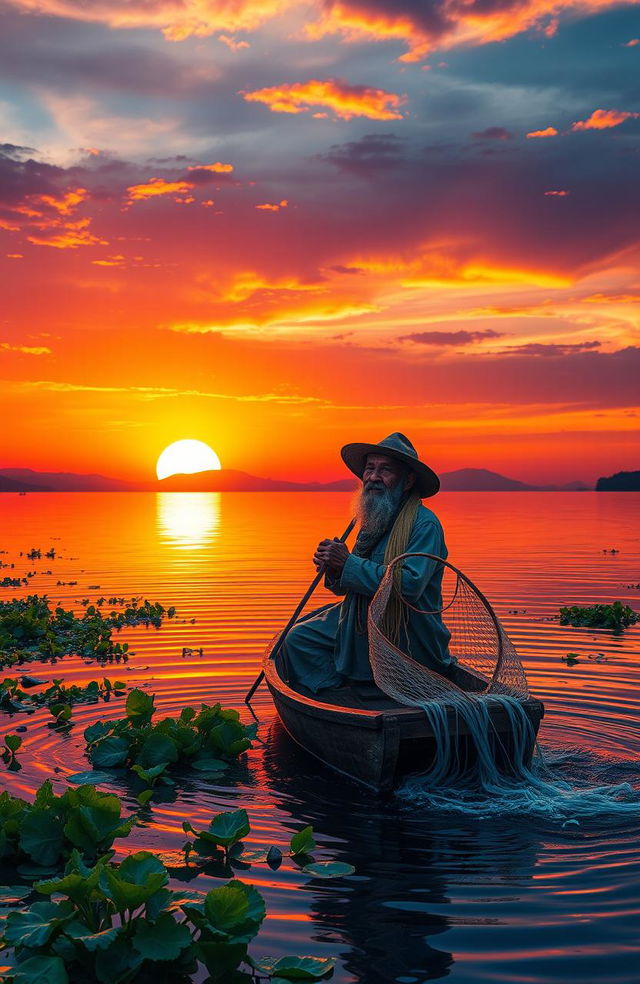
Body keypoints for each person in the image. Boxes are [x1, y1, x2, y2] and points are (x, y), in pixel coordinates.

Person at [280, 433, 452, 694]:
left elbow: (409, 586)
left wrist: (347, 563)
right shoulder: (374, 516)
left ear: (408, 480)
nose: (373, 477)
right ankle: (336, 692)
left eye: (385, 470)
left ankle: (356, 691)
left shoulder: (423, 524)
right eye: (370, 469)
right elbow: (348, 586)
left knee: (304, 639)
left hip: (405, 632)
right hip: (362, 619)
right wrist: (336, 566)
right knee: (297, 640)